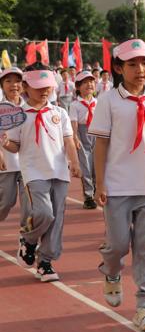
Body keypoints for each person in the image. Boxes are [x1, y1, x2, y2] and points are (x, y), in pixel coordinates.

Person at [89, 39, 145, 332]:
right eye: (132, 64)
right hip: (117, 186)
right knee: (117, 245)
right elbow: (100, 145)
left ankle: (144, 306)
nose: (140, 70)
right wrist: (99, 182)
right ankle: (111, 271)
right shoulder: (108, 101)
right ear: (118, 68)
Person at [4, 64, 80, 283]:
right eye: (39, 87)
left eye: (48, 86)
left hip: (59, 172)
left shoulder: (59, 113)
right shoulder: (19, 115)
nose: (44, 90)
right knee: (45, 213)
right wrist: (6, 142)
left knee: (57, 219)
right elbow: (15, 147)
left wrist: (74, 163)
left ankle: (45, 262)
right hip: (33, 172)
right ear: (26, 86)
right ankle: (29, 240)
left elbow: (68, 141)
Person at [0, 68, 26, 227]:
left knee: (30, 204)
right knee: (6, 201)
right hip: (7, 163)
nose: (14, 85)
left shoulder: (29, 107)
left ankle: (26, 238)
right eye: (8, 81)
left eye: (17, 81)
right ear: (2, 85)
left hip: (29, 163)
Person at [69, 70, 98, 209]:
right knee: (85, 167)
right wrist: (75, 137)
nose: (89, 85)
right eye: (85, 83)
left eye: (91, 82)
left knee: (98, 165)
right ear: (78, 87)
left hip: (97, 136)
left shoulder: (98, 102)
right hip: (83, 135)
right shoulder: (75, 105)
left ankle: (98, 190)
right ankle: (88, 196)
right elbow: (73, 123)